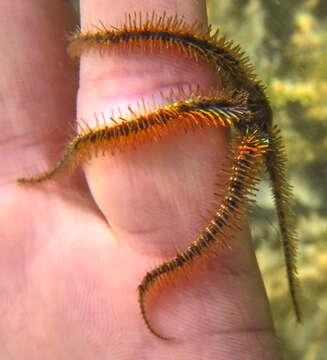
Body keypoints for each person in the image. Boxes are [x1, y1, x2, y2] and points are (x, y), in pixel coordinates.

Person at [0, 0, 282, 358]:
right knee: (138, 124)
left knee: (146, 124)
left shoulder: (249, 137)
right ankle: (76, 130)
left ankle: (154, 276)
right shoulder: (232, 82)